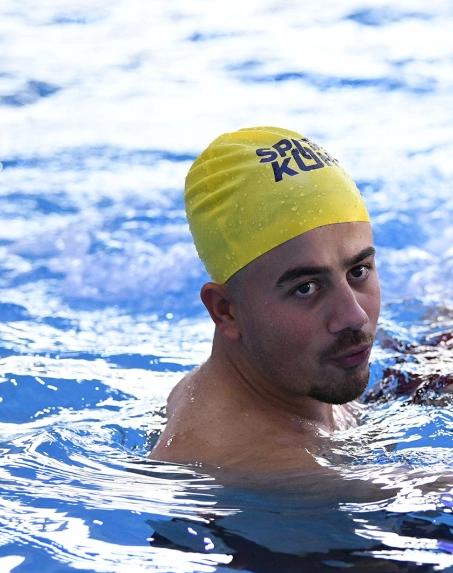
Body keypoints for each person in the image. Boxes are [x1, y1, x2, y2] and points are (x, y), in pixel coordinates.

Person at [152, 128, 380, 472]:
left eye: (358, 271)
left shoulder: (296, 378)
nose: (354, 316)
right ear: (225, 311)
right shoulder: (248, 463)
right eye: (306, 288)